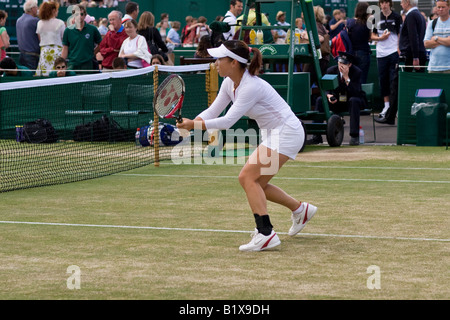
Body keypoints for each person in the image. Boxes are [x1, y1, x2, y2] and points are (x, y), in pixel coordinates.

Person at [176, 40, 317, 252]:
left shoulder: (250, 86)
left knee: (246, 177)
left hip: (286, 132)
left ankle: (266, 233)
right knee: (257, 184)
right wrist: (192, 125)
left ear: (234, 62)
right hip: (274, 133)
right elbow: (213, 112)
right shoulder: (228, 83)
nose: (216, 63)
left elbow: (227, 121)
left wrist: (194, 125)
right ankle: (300, 210)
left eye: (220, 59)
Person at [308, 51, 366, 146]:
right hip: (337, 101)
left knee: (354, 101)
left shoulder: (356, 72)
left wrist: (346, 77)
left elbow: (356, 92)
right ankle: (316, 136)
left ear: (350, 64)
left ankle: (354, 136)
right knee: (320, 100)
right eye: (339, 63)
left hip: (350, 101)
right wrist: (328, 95)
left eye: (344, 64)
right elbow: (326, 88)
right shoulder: (331, 70)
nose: (341, 66)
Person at [371, 0, 402, 121]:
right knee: (383, 80)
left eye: (386, 3)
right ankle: (386, 106)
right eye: (381, 3)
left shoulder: (397, 16)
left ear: (390, 4)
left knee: (393, 81)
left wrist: (399, 48)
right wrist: (380, 38)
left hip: (394, 52)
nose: (383, 5)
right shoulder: (375, 18)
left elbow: (400, 34)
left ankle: (396, 108)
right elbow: (372, 36)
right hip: (381, 54)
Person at [61, 5, 102, 72]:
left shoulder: (92, 29)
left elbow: (101, 43)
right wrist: (61, 63)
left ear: (85, 15)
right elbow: (65, 48)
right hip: (72, 64)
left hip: (88, 64)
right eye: (77, 14)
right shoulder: (68, 30)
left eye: (82, 14)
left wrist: (93, 53)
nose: (79, 16)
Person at [35, 1, 65, 76]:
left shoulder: (39, 23)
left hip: (44, 52)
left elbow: (40, 38)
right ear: (53, 10)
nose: (58, 11)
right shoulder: (60, 23)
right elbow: (63, 39)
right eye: (57, 9)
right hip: (57, 52)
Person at [347, 2, 372, 84]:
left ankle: (353, 96)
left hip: (351, 54)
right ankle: (360, 96)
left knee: (352, 79)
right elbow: (369, 38)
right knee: (362, 79)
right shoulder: (367, 24)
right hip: (364, 53)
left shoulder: (350, 22)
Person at [399, 0, 427, 72]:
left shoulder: (411, 15)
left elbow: (413, 37)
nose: (400, 4)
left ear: (407, 2)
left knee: (408, 81)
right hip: (417, 53)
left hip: (411, 56)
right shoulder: (420, 15)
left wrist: (415, 57)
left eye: (402, 2)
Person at [423, 0, 450, 73]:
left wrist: (436, 38)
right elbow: (426, 44)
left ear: (449, 7)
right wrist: (445, 40)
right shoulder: (432, 23)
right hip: (433, 67)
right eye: (439, 7)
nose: (441, 9)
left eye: (443, 7)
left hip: (448, 67)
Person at [16, 0, 40, 70]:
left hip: (21, 55)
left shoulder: (18, 20)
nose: (37, 9)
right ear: (32, 9)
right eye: (36, 7)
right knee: (32, 78)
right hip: (32, 56)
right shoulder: (35, 20)